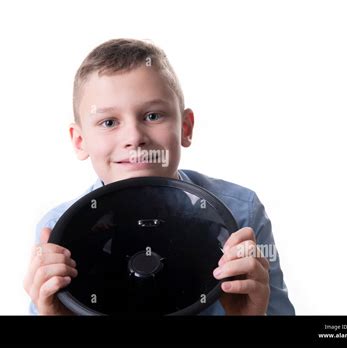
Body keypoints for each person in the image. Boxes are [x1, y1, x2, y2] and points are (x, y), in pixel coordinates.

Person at [23, 38, 295, 316]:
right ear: (80, 141)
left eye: (153, 116)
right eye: (109, 122)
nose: (134, 138)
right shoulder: (58, 230)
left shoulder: (241, 214)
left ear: (186, 127)